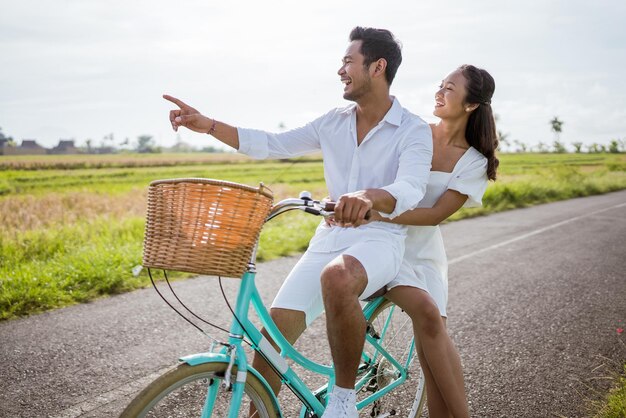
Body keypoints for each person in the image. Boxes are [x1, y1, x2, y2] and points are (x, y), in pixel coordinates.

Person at [164, 26, 433, 417]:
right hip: (329, 237)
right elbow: (273, 143)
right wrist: (207, 125)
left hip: (380, 239)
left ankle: (343, 401)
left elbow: (410, 186)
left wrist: (369, 196)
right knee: (273, 337)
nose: (340, 70)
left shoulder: (412, 129)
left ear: (378, 67)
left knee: (337, 278)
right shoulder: (333, 121)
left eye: (347, 61)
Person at [367, 64, 499, 418]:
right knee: (428, 317)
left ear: (471, 104)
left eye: (449, 88)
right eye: (440, 86)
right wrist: (374, 216)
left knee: (431, 349)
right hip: (384, 242)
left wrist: (379, 213)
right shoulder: (414, 133)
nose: (439, 93)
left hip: (423, 251)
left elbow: (436, 214)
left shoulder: (474, 161)